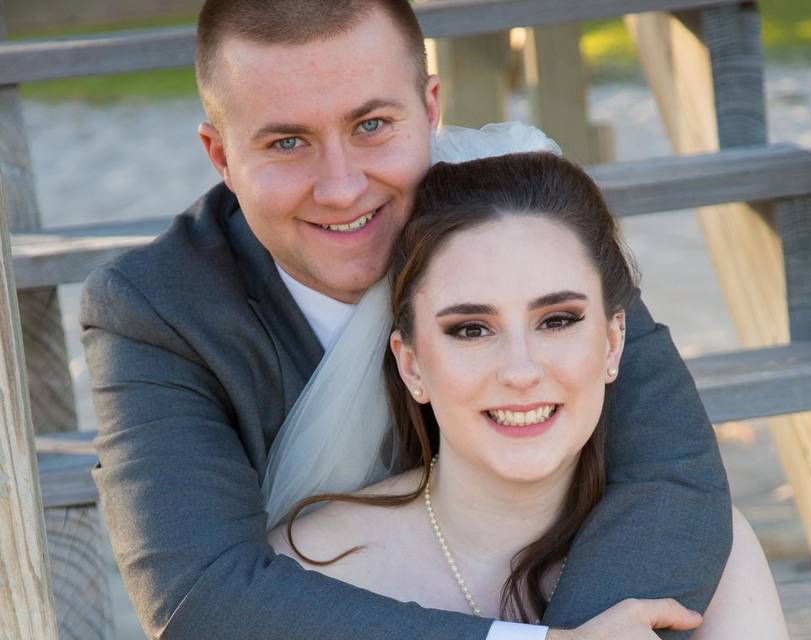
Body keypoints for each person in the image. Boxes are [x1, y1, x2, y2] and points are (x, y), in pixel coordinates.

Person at [80, 1, 732, 638]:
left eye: (371, 127)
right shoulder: (156, 309)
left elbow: (672, 473)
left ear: (430, 108)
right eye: (286, 142)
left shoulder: (521, 217)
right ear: (221, 156)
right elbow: (202, 599)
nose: (340, 188)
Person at [268, 152, 789, 640]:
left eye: (557, 321)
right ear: (412, 365)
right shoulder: (313, 566)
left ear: (612, 343)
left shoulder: (710, 544)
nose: (520, 371)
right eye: (471, 329)